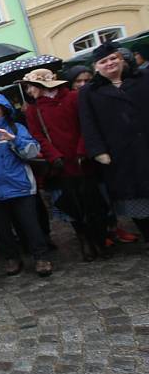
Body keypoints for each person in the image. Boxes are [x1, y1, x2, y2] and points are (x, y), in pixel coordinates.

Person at [21, 68, 112, 261]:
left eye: (30, 86)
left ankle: (100, 239)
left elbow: (85, 126)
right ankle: (84, 239)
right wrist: (54, 156)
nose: (29, 91)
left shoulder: (73, 98)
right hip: (60, 166)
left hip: (83, 160)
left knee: (93, 202)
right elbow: (38, 136)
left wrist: (82, 151)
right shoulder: (33, 110)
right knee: (72, 205)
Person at [0, 93, 53, 277]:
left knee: (31, 226)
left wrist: (13, 138)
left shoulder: (17, 128)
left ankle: (41, 257)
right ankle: (12, 258)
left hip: (20, 186)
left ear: (4, 109)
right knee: (3, 229)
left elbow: (32, 151)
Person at [79, 41, 149, 249]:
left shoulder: (143, 78)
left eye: (113, 58)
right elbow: (87, 123)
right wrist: (98, 150)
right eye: (103, 61)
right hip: (120, 153)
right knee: (135, 198)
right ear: (96, 67)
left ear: (121, 59)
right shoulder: (89, 92)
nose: (109, 63)